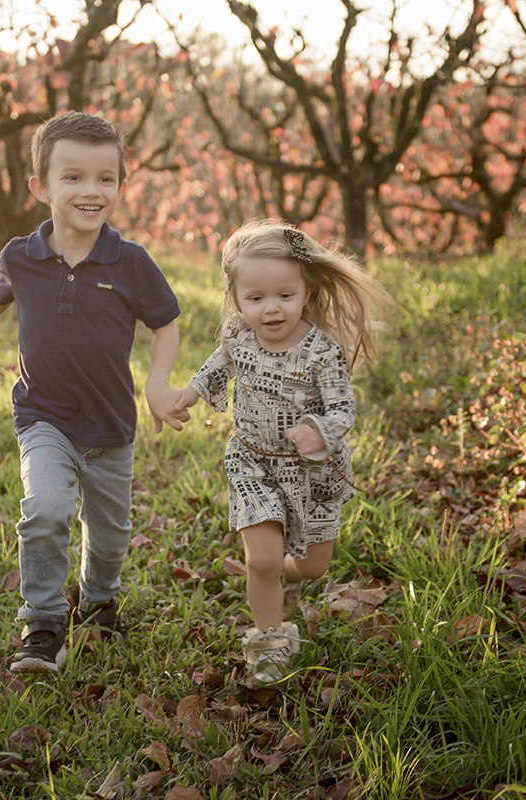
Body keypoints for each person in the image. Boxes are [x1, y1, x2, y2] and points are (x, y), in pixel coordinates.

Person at [0, 112, 189, 673]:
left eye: (105, 178)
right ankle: (41, 623)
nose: (91, 191)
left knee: (110, 537)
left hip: (111, 424)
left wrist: (157, 385)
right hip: (43, 416)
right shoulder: (22, 256)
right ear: (41, 186)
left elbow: (166, 324)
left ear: (120, 184)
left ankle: (98, 598)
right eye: (73, 177)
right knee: (44, 509)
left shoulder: (130, 261)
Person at [173, 218, 390, 685]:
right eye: (255, 299)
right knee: (263, 560)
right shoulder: (238, 335)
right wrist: (192, 392)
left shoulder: (321, 351)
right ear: (237, 298)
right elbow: (219, 364)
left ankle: (287, 578)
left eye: (284, 296)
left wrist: (320, 429)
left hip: (312, 471)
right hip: (251, 461)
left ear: (306, 291)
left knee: (312, 566)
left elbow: (342, 406)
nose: (271, 309)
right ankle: (270, 641)